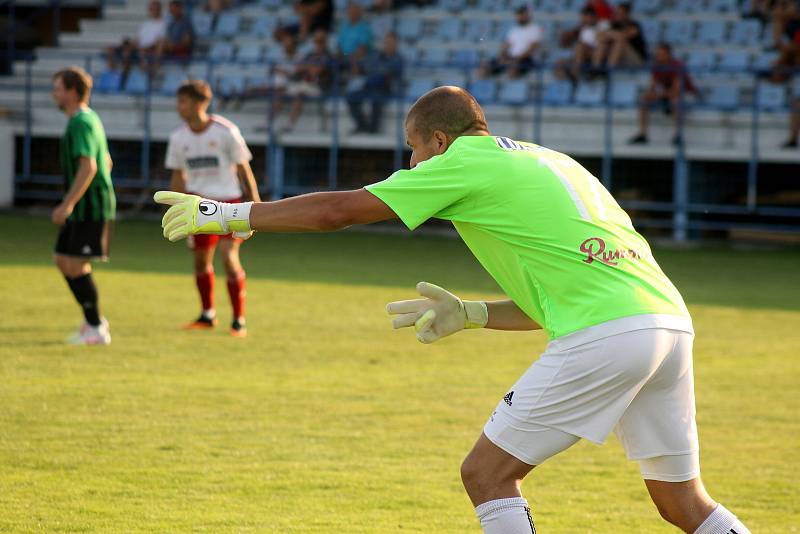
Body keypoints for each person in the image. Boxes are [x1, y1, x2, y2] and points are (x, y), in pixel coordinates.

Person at [154, 85, 752, 534]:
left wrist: (225, 213)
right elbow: (567, 294)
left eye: (412, 150)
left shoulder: (461, 163)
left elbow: (336, 211)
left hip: (610, 334)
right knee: (684, 503)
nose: (412, 165)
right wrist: (472, 313)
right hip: (669, 324)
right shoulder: (554, 161)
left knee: (486, 475)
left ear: (439, 140)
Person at [164, 80, 262, 336]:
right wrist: (177, 207)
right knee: (200, 262)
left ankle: (238, 320)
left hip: (229, 203)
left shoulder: (225, 131)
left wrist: (257, 208)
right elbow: (178, 177)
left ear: (200, 103)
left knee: (228, 258)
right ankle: (208, 315)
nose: (178, 107)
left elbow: (244, 169)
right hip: (198, 206)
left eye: (183, 101)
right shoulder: (178, 138)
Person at [51, 67, 116, 345]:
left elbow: (89, 165)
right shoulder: (87, 119)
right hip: (85, 206)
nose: (54, 93)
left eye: (58, 88)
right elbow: (107, 162)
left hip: (90, 207)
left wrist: (68, 203)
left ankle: (96, 328)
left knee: (75, 265)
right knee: (63, 259)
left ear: (72, 92)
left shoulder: (81, 123)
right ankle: (94, 321)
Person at [629, 42, 698, 146]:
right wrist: (650, 94)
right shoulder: (656, 66)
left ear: (669, 55)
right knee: (644, 99)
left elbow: (676, 90)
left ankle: (678, 135)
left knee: (675, 101)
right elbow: (652, 87)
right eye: (657, 54)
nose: (659, 57)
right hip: (665, 94)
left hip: (686, 94)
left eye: (661, 54)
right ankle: (643, 134)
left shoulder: (677, 66)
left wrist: (658, 94)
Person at [346, 31, 403, 134]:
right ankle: (362, 125)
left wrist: (375, 75)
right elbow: (367, 68)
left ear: (396, 44)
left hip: (385, 89)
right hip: (370, 86)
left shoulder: (398, 59)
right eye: (387, 42)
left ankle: (373, 129)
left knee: (376, 98)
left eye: (391, 42)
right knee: (351, 97)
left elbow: (387, 75)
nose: (388, 45)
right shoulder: (377, 56)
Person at [282, 29, 334, 133]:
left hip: (319, 87)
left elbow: (317, 71)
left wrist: (308, 67)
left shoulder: (328, 55)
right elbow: (297, 68)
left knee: (299, 95)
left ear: (325, 42)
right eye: (316, 41)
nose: (318, 43)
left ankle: (290, 125)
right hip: (303, 84)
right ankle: (267, 124)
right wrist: (310, 67)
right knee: (278, 93)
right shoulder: (310, 54)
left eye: (320, 41)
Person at [480, 4, 543, 79]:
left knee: (512, 69)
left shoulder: (535, 29)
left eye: (522, 13)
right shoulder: (514, 30)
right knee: (484, 67)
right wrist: (502, 57)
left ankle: (513, 89)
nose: (520, 16)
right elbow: (506, 45)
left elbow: (532, 49)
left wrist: (515, 60)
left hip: (527, 60)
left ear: (527, 14)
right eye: (518, 14)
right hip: (511, 58)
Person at [105, 0, 165, 76]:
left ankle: (124, 77)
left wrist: (142, 48)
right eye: (151, 8)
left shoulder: (163, 24)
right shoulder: (146, 24)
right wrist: (128, 45)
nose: (152, 11)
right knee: (111, 49)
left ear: (159, 9)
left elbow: (158, 43)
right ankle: (113, 74)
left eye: (154, 9)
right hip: (138, 49)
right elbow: (137, 40)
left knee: (129, 53)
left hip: (147, 50)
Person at [592, 2, 647, 71]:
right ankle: (596, 69)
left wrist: (610, 34)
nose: (617, 15)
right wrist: (611, 34)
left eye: (620, 13)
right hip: (620, 57)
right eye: (617, 13)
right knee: (603, 43)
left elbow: (625, 36)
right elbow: (599, 37)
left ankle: (610, 71)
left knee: (620, 42)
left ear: (627, 14)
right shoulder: (614, 25)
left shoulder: (634, 25)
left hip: (636, 59)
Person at [156, 0, 194, 64]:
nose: (172, 12)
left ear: (180, 9)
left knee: (160, 45)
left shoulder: (186, 22)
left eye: (173, 10)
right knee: (158, 43)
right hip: (170, 49)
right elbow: (168, 38)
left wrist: (173, 46)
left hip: (181, 51)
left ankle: (156, 66)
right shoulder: (171, 23)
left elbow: (187, 43)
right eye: (171, 10)